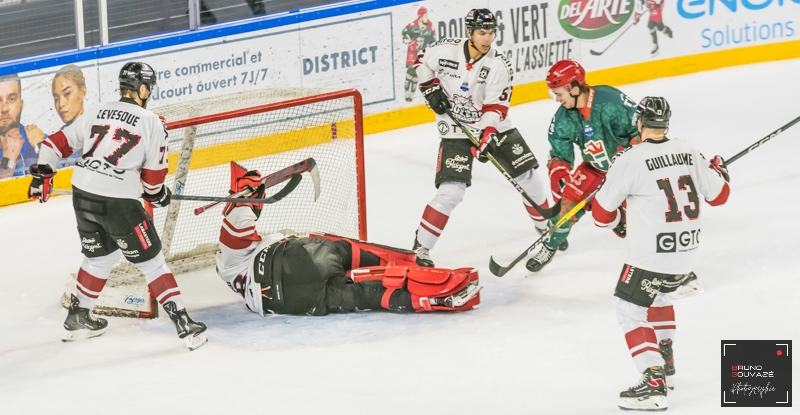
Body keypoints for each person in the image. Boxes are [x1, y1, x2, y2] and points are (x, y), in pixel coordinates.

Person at [27, 61, 207, 351]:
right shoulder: (152, 122)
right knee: (153, 263)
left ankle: (78, 317)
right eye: (149, 87)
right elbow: (153, 179)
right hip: (119, 202)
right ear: (143, 89)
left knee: (100, 258)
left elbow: (53, 144)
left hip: (83, 194)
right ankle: (185, 325)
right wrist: (157, 194)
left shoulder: (96, 111)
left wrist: (43, 173)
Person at [590, 96, 730, 411]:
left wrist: (618, 220)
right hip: (685, 254)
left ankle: (653, 382)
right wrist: (720, 171)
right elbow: (720, 195)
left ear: (639, 123)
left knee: (629, 311)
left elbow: (600, 215)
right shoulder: (688, 149)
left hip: (650, 256)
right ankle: (665, 361)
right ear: (666, 123)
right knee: (659, 297)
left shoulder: (630, 158)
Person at [216, 162, 482, 316]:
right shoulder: (230, 256)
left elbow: (238, 220)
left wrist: (247, 196)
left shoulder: (233, 273)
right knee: (344, 249)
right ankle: (413, 264)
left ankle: (435, 300)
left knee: (370, 294)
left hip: (292, 301)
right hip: (297, 260)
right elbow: (237, 216)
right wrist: (246, 188)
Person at [411, 8, 551, 267]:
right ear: (469, 32)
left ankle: (546, 230)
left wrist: (488, 134)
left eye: (491, 32)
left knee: (528, 178)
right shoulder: (446, 49)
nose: (488, 38)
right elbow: (420, 61)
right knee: (451, 192)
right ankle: (421, 248)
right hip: (455, 129)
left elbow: (495, 108)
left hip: (496, 127)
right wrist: (428, 86)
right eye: (482, 32)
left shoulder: (499, 65)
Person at [26, 64, 88, 167]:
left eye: (67, 93)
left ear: (83, 92)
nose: (60, 104)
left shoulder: (90, 133)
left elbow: (69, 172)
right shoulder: (65, 133)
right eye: (56, 99)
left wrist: (40, 145)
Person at [0, 74, 45, 179]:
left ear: (21, 104)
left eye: (11, 99)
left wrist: (41, 148)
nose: (4, 108)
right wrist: (8, 160)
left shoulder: (41, 141)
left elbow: (64, 180)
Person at [401, 6, 436, 102]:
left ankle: (411, 93)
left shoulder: (430, 28)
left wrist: (427, 50)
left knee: (416, 73)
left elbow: (433, 42)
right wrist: (410, 42)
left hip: (422, 54)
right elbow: (404, 34)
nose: (427, 18)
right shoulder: (412, 26)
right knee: (410, 70)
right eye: (425, 16)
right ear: (420, 17)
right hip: (412, 52)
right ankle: (406, 91)